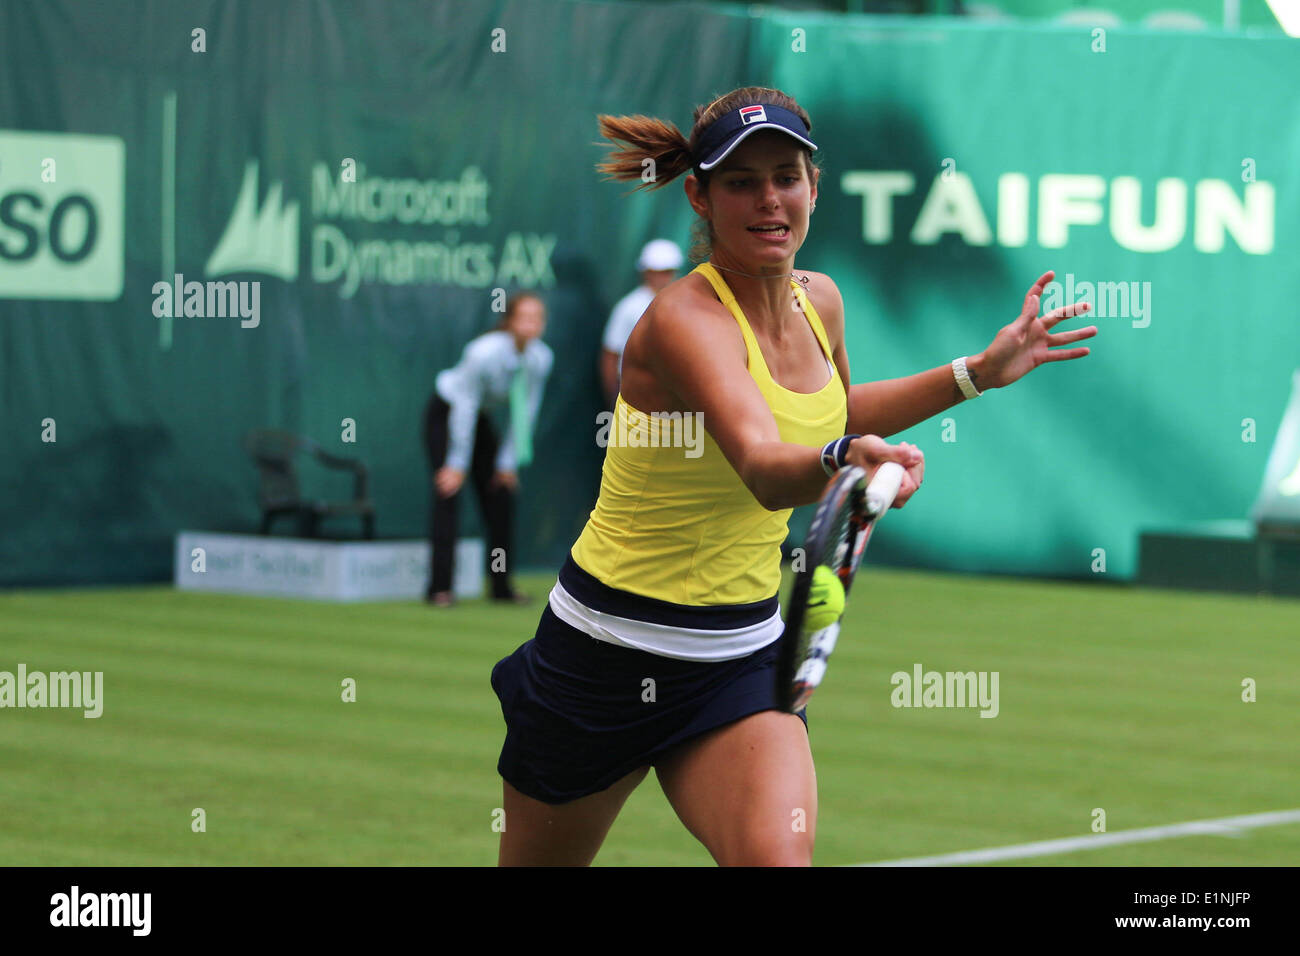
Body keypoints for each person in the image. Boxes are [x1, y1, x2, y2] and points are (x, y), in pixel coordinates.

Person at [489, 87, 1095, 865]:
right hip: (605, 651)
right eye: (741, 182)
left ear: (815, 186)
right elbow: (765, 466)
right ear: (699, 196)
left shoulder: (822, 302)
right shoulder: (683, 320)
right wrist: (847, 465)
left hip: (739, 657)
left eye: (785, 175)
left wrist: (974, 373)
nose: (768, 199)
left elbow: (831, 415)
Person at [424, 292, 553, 608]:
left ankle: (500, 586)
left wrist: (507, 463)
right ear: (509, 321)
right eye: (524, 316)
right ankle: (440, 588)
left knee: (502, 494)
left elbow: (526, 412)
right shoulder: (482, 353)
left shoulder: (541, 358)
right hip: (446, 413)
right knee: (448, 491)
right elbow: (464, 407)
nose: (531, 324)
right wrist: (456, 464)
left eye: (537, 318)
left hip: (480, 419)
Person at [600, 239, 684, 407]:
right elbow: (610, 355)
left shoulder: (683, 304)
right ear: (646, 272)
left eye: (668, 271)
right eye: (658, 271)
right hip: (632, 394)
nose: (664, 277)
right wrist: (615, 398)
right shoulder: (628, 307)